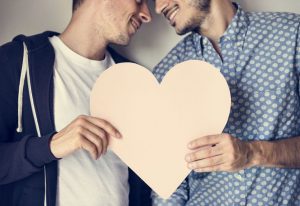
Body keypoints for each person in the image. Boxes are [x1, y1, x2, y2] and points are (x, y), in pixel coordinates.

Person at [0, 0, 152, 206]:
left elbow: (144, 179)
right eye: (139, 1)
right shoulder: (17, 60)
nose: (147, 15)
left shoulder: (135, 79)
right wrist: (51, 145)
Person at [152, 0, 300, 205]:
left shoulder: (292, 35)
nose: (159, 7)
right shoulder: (165, 74)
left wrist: (253, 153)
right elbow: (167, 184)